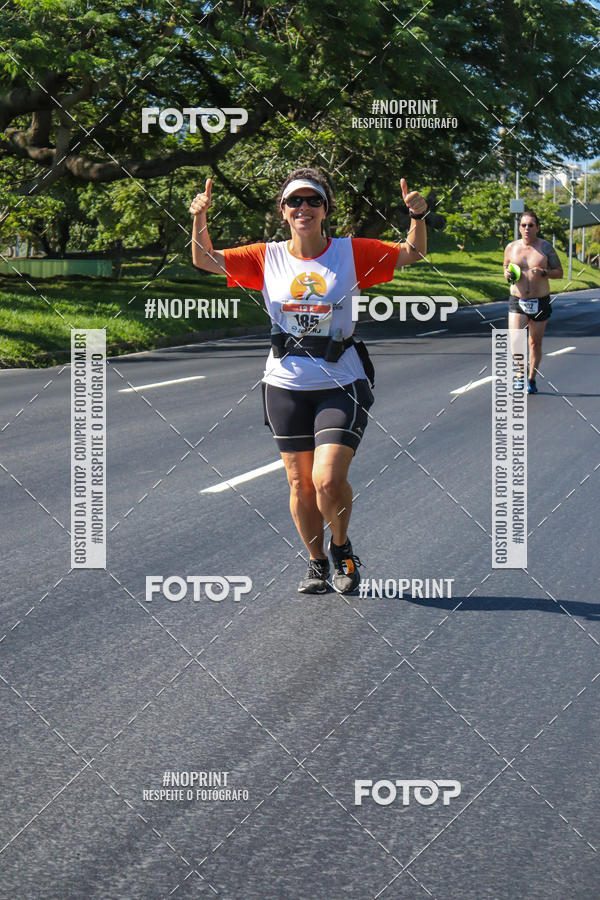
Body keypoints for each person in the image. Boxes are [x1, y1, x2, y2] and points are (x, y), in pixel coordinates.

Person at [189, 167, 427, 593]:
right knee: (300, 484)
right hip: (285, 384)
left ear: (325, 209)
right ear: (283, 212)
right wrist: (199, 217)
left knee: (327, 479)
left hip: (340, 381)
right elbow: (204, 259)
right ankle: (317, 561)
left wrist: (418, 216)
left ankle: (342, 548)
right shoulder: (267, 256)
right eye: (294, 201)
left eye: (312, 200)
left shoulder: (351, 252)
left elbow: (412, 253)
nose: (303, 208)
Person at [503, 210, 563, 393]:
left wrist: (544, 273)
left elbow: (559, 272)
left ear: (537, 227)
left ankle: (531, 378)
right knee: (515, 340)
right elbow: (505, 266)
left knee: (534, 343)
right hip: (518, 299)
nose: (527, 228)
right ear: (519, 228)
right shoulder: (511, 247)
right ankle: (520, 374)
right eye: (523, 225)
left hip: (540, 301)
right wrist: (507, 273)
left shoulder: (545, 248)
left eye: (530, 225)